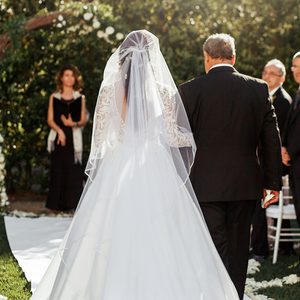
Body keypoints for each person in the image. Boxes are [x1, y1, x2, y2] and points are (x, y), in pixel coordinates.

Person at [31, 30, 239, 300]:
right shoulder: (163, 90)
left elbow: (102, 137)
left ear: (123, 55)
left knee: (111, 227)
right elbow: (175, 135)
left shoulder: (110, 89)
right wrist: (194, 137)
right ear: (152, 56)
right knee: (162, 229)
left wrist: (119, 148)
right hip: (155, 163)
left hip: (120, 164)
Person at [179, 33, 282, 299]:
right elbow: (271, 139)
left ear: (206, 57)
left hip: (204, 186)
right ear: (233, 57)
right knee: (238, 249)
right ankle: (233, 296)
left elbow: (179, 143)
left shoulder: (189, 90)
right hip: (244, 185)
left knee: (213, 247)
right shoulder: (258, 88)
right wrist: (273, 183)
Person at [251, 59, 292, 261]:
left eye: (272, 73)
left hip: (272, 164)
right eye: (265, 71)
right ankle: (285, 247)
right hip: (263, 161)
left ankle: (260, 249)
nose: (267, 76)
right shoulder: (262, 95)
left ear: (282, 78)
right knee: (262, 205)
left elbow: (278, 136)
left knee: (261, 205)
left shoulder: (283, 101)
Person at [46, 65, 87, 212]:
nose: (69, 78)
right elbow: (50, 120)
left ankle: (73, 204)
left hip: (74, 139)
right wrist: (60, 131)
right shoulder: (54, 97)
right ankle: (56, 205)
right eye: (66, 75)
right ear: (61, 78)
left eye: (72, 75)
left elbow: (82, 120)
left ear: (75, 78)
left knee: (73, 170)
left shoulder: (79, 98)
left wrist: (72, 123)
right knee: (58, 169)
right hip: (59, 138)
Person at [282, 51, 300, 227]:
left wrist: (289, 151)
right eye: (295, 67)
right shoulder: (297, 93)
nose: (297, 71)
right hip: (295, 164)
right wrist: (283, 147)